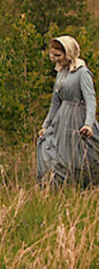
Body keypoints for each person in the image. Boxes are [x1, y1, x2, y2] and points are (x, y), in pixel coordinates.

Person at [36, 35, 99, 186]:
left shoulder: (82, 73)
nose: (56, 59)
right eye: (53, 56)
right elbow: (55, 103)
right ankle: (59, 188)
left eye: (58, 55)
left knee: (79, 155)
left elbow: (91, 101)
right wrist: (46, 125)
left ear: (68, 53)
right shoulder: (61, 73)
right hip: (61, 120)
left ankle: (84, 186)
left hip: (77, 119)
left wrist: (88, 124)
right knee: (49, 147)